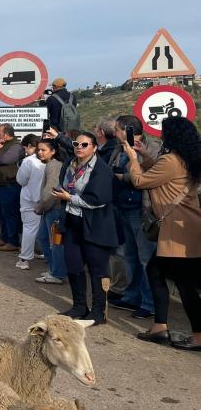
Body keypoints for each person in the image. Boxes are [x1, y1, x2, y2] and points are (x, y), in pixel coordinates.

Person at [125, 117, 201, 350]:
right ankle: (160, 326)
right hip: (187, 226)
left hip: (177, 232)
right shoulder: (184, 159)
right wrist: (145, 155)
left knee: (185, 285)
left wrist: (132, 158)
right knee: (156, 271)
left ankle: (198, 335)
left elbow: (139, 181)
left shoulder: (171, 160)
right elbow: (158, 174)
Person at [51, 131, 117, 325]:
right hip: (72, 221)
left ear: (94, 147)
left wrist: (69, 198)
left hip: (95, 224)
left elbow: (98, 200)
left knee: (97, 268)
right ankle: (79, 305)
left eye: (84, 144)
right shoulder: (70, 164)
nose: (79, 147)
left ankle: (98, 312)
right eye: (76, 144)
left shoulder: (101, 169)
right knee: (73, 264)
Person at [108, 115, 159, 319]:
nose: (115, 133)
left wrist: (124, 176)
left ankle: (150, 303)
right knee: (129, 256)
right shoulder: (118, 148)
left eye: (117, 129)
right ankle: (132, 296)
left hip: (142, 209)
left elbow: (152, 172)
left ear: (126, 129)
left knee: (146, 259)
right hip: (122, 207)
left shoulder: (151, 146)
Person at [34, 138, 67, 284]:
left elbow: (51, 189)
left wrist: (41, 206)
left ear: (53, 152)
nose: (40, 153)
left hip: (54, 209)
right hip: (50, 208)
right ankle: (54, 269)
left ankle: (57, 273)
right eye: (38, 150)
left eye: (43, 150)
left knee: (55, 242)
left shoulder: (54, 166)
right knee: (43, 238)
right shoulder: (51, 164)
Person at [0, 123, 23, 252]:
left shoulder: (16, 146)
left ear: (6, 135)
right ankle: (5, 238)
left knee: (10, 214)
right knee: (1, 214)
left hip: (9, 185)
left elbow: (4, 160)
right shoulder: (1, 145)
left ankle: (12, 241)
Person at [14, 134, 43, 270]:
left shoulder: (29, 161)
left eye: (26, 148)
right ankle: (43, 253)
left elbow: (21, 180)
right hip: (47, 199)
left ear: (30, 146)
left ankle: (24, 259)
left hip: (30, 200)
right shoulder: (51, 160)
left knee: (29, 229)